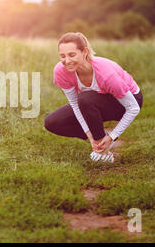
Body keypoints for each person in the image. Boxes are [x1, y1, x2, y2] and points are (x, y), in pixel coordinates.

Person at [44, 32, 143, 163]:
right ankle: (99, 139)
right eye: (62, 56)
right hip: (94, 101)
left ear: (84, 52)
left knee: (86, 99)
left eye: (72, 55)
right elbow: (75, 105)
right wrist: (90, 136)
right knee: (52, 122)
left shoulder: (106, 74)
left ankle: (104, 151)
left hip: (126, 102)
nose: (67, 61)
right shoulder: (61, 71)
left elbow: (133, 108)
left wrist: (112, 136)